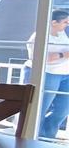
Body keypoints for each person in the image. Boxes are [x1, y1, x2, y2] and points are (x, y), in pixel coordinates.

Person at [27, 9, 69, 140]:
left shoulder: (62, 34)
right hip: (48, 73)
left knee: (63, 109)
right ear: (53, 22)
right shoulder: (39, 36)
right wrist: (63, 55)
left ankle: (48, 135)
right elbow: (39, 57)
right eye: (65, 22)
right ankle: (33, 136)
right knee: (40, 107)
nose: (67, 24)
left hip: (65, 75)